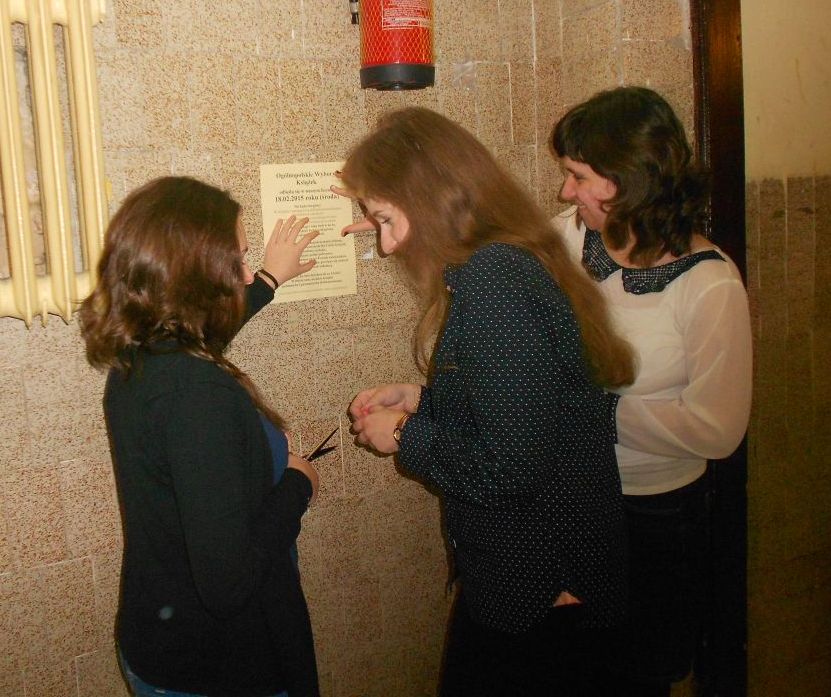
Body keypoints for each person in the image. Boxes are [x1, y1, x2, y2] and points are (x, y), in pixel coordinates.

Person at [336, 107, 636, 696]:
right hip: (541, 580)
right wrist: (421, 401)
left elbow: (510, 467)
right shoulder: (506, 261)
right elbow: (522, 407)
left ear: (429, 201)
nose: (389, 245)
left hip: (543, 590)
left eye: (387, 220)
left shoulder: (492, 282)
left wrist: (401, 434)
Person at [79, 176, 321, 697]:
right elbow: (229, 584)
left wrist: (269, 281)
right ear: (197, 277)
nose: (245, 271)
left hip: (163, 637)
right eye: (238, 259)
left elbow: (202, 337)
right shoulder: (197, 396)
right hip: (215, 668)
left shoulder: (142, 351)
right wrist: (299, 483)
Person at [550, 86, 753, 696]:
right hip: (569, 501)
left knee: (635, 676)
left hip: (657, 521)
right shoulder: (567, 239)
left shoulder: (710, 285)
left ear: (629, 182)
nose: (565, 192)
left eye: (578, 176)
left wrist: (595, 413)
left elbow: (718, 429)